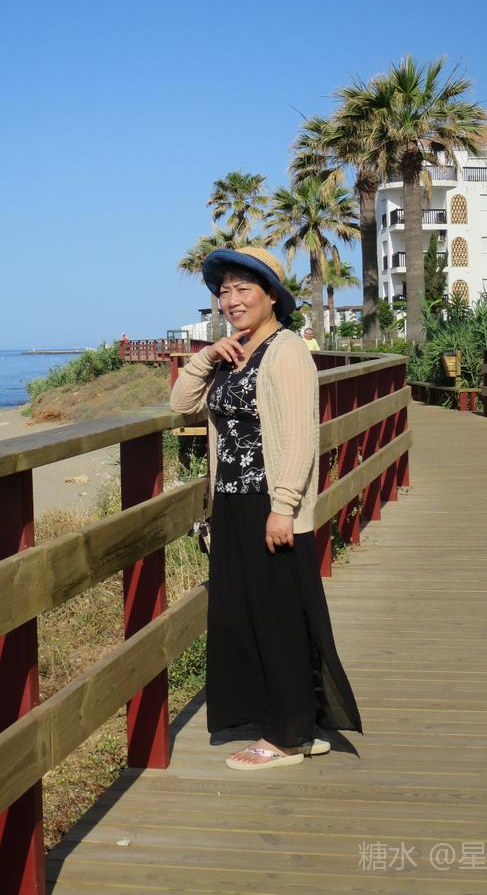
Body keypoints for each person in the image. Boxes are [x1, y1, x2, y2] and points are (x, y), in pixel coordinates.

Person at [169, 245, 362, 771]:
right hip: (232, 503)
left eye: (243, 289)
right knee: (248, 617)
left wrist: (284, 507)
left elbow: (299, 436)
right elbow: (181, 405)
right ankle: (292, 724)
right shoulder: (234, 352)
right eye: (224, 291)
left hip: (269, 504)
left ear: (271, 295)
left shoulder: (287, 350)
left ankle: (285, 738)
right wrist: (207, 356)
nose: (231, 300)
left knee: (278, 618)